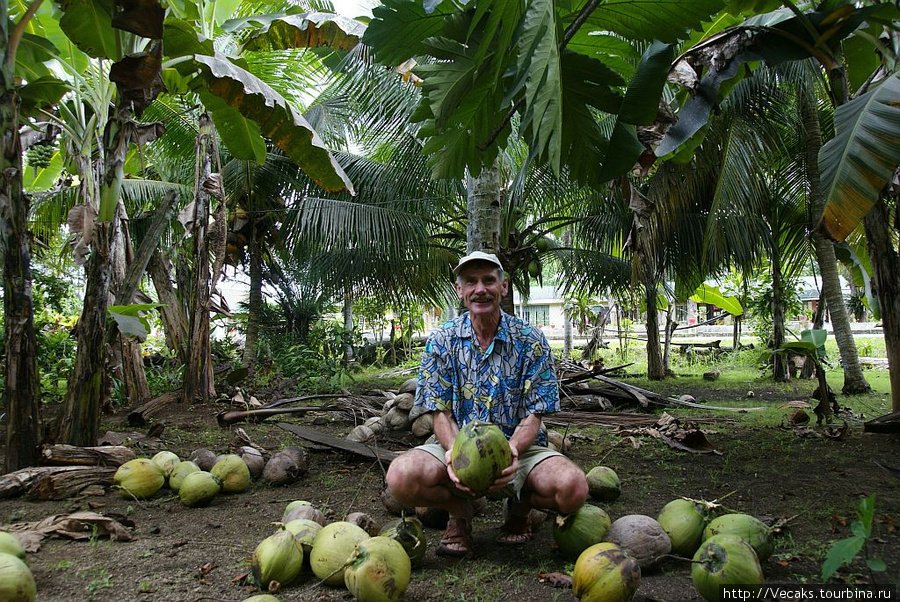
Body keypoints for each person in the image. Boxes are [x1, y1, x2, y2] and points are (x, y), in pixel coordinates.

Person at [385, 251, 588, 557]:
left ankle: (519, 509)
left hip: (521, 449)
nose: (480, 288)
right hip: (456, 446)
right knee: (400, 478)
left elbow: (534, 414)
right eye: (471, 281)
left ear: (503, 287)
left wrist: (513, 451)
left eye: (488, 280)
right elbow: (440, 411)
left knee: (574, 489)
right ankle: (459, 512)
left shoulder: (530, 340)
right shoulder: (442, 340)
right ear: (460, 290)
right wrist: (454, 454)